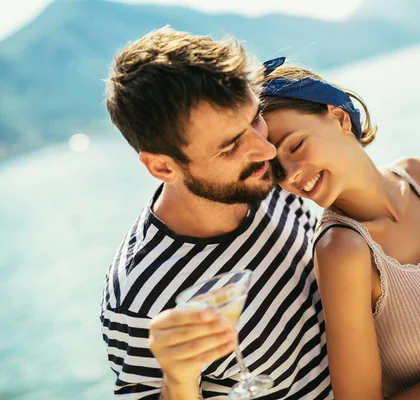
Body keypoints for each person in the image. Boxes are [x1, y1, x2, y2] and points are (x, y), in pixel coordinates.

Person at [259, 57, 420, 400]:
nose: (289, 175)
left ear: (339, 117)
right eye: (275, 168)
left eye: (295, 145)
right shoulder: (342, 251)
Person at [100, 29, 332, 399]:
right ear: (162, 167)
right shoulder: (138, 299)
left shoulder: (269, 182)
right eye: (229, 147)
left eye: (255, 119)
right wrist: (178, 380)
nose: (265, 150)